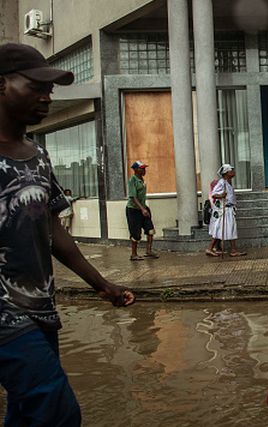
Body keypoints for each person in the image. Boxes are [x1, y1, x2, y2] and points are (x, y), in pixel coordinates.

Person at [0, 42, 135, 425]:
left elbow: (50, 227)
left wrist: (101, 283)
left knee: (27, 412)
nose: (47, 97)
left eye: (50, 89)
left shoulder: (37, 153)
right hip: (4, 315)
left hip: (40, 308)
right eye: (35, 87)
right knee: (57, 408)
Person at [207, 164, 246, 257]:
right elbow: (214, 194)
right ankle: (229, 250)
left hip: (228, 210)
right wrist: (221, 196)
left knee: (229, 228)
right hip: (224, 211)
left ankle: (230, 249)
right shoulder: (222, 183)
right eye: (231, 170)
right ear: (226, 173)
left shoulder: (227, 183)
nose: (233, 172)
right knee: (225, 229)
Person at [126, 160, 158, 261]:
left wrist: (145, 208)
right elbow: (133, 197)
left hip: (143, 208)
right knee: (135, 233)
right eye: (142, 168)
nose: (144, 170)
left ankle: (148, 251)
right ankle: (133, 254)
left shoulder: (142, 180)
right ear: (136, 170)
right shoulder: (133, 180)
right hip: (133, 210)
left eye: (144, 168)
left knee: (150, 229)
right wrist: (142, 209)